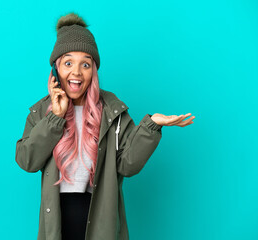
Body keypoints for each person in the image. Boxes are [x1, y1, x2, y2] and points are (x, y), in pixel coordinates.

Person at [15, 12, 195, 240]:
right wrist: (55, 118)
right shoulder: (42, 111)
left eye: (86, 64)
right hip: (57, 220)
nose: (76, 72)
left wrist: (151, 127)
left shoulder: (112, 111)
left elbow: (127, 166)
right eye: (68, 62)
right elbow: (26, 161)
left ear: (94, 71)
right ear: (55, 70)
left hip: (100, 217)